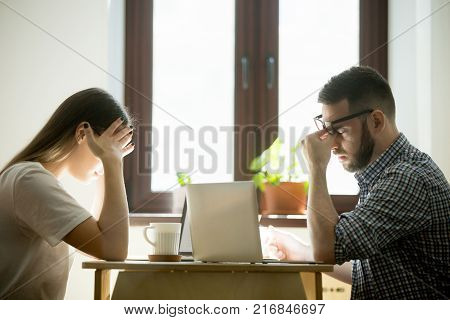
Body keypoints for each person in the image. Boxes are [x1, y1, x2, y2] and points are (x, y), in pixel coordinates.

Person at [265, 66, 450, 299]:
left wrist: (316, 167)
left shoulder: (407, 179)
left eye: (340, 130)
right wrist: (300, 251)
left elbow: (327, 250)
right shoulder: (383, 176)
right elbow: (372, 272)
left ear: (376, 121)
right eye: (328, 132)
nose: (332, 145)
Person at [0, 88, 135, 299]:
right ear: (83, 133)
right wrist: (111, 162)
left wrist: (108, 166)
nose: (112, 156)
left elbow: (99, 246)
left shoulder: (33, 179)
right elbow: (113, 249)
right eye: (111, 147)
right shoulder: (29, 179)